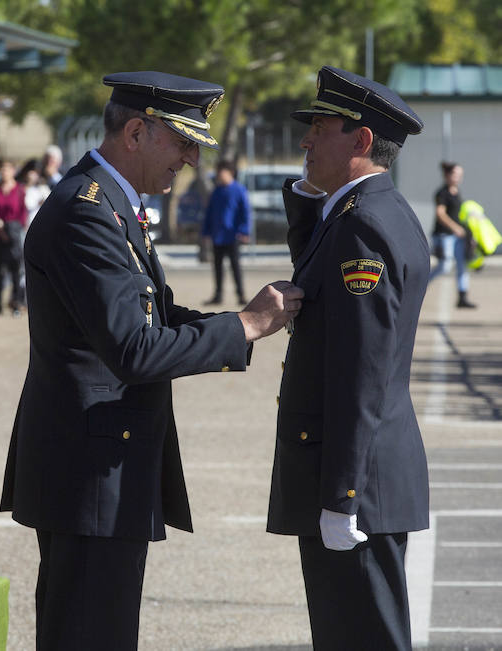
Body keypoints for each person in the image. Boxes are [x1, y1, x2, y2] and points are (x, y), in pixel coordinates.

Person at [0, 71, 303, 651]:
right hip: (90, 476)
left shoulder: (109, 201)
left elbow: (153, 316)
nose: (190, 159)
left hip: (102, 467)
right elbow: (135, 349)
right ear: (137, 132)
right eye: (183, 142)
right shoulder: (87, 211)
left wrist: (240, 322)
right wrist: (243, 326)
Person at [266, 65, 429, 651]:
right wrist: (309, 204)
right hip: (364, 477)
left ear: (361, 141)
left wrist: (342, 498)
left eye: (321, 127)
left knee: (363, 638)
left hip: (359, 485)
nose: (306, 140)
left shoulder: (362, 228)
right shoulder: (365, 214)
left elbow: (362, 371)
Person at [202, 159, 250, 304]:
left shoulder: (239, 190)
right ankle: (218, 295)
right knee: (217, 267)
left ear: (231, 173)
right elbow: (209, 213)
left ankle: (241, 295)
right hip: (218, 236)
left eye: (221, 172)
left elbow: (245, 212)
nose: (219, 175)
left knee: (235, 266)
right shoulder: (216, 191)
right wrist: (206, 232)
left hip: (233, 236)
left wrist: (244, 231)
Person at [427, 161, 475, 308]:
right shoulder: (442, 193)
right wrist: (455, 228)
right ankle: (421, 284)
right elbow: (440, 214)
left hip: (458, 236)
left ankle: (462, 297)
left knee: (462, 265)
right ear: (447, 175)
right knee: (445, 266)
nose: (458, 177)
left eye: (460, 174)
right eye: (455, 174)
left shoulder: (457, 192)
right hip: (444, 235)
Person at [0, 159, 27, 315]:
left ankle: (16, 303)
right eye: (2, 169)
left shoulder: (19, 189)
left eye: (7, 169)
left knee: (16, 270)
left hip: (13, 236)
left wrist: (15, 230)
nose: (4, 172)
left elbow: (23, 212)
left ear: (13, 171)